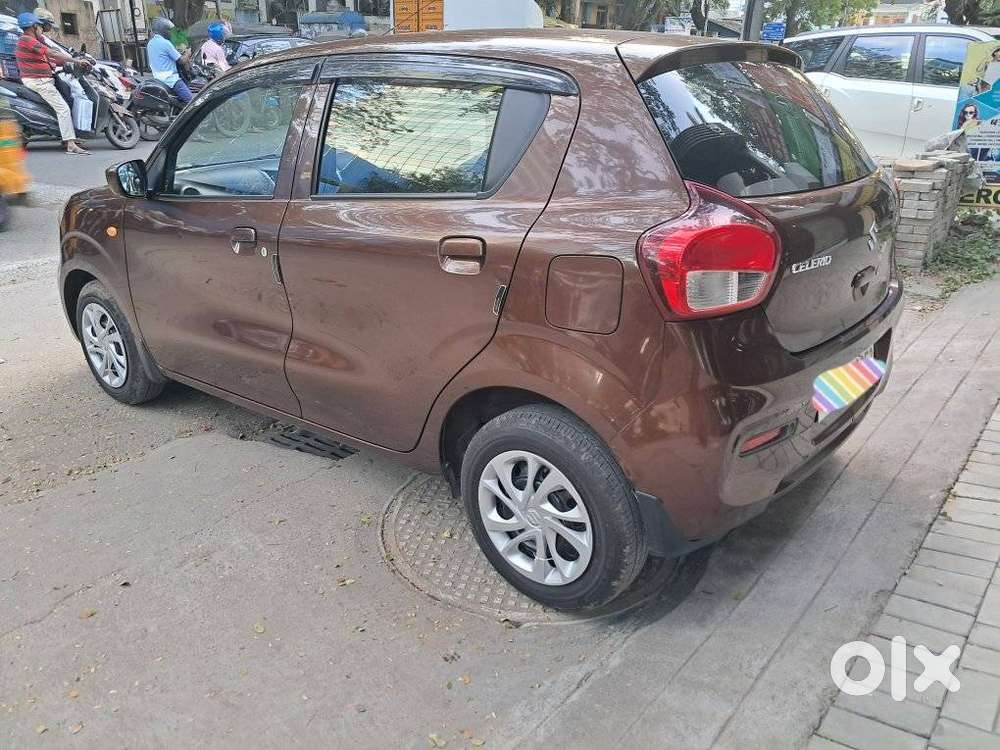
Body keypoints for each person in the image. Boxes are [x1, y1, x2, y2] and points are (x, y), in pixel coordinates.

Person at [14, 12, 89, 154]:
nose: (42, 29)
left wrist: (66, 58)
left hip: (41, 79)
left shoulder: (33, 39)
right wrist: (76, 61)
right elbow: (51, 53)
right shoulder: (27, 40)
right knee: (63, 109)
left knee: (67, 98)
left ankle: (67, 135)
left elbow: (52, 51)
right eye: (40, 27)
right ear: (34, 26)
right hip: (39, 82)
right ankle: (70, 144)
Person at [147, 16, 192, 105]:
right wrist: (188, 53)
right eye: (169, 31)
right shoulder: (165, 43)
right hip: (171, 79)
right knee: (191, 102)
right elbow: (182, 61)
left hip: (157, 78)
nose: (171, 34)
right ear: (163, 30)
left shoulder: (150, 43)